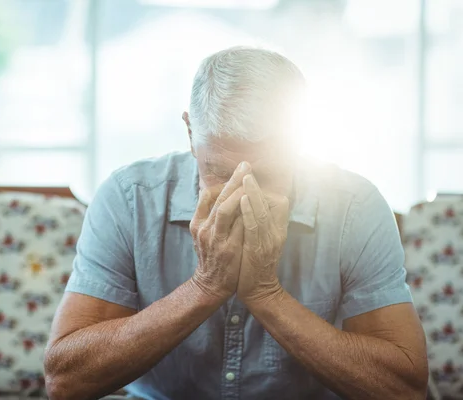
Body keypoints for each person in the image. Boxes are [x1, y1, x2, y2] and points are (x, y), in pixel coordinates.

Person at [44, 46, 428, 400]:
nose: (243, 193)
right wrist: (205, 286)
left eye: (270, 173)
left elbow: (403, 389)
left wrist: (265, 294)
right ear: (191, 133)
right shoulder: (130, 198)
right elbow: (65, 381)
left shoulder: (355, 207)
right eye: (218, 170)